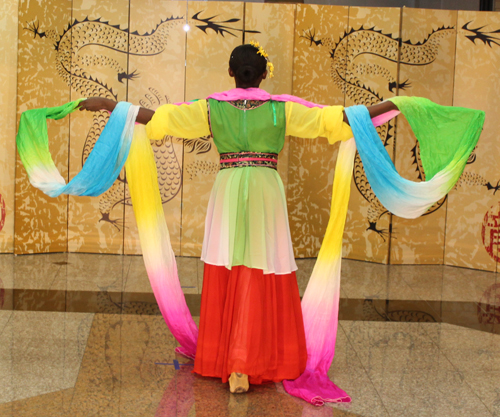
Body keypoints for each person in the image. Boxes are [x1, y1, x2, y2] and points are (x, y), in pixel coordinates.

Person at [79, 43, 398, 394]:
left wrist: (112, 105)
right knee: (262, 265)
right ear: (264, 74)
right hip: (265, 190)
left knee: (231, 266)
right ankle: (251, 360)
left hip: (229, 188)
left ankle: (232, 359)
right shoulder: (282, 109)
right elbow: (340, 118)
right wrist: (395, 104)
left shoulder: (212, 107)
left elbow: (157, 118)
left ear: (231, 72)